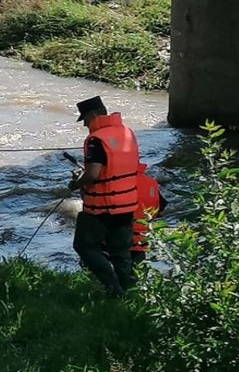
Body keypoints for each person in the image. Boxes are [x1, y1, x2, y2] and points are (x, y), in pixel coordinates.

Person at [68, 96, 140, 296]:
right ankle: (129, 294)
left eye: (85, 120)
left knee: (84, 246)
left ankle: (113, 289)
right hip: (127, 205)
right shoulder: (127, 132)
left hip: (102, 207)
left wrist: (76, 183)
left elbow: (92, 174)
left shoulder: (96, 140)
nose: (85, 125)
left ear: (92, 115)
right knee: (121, 253)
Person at [131, 163, 168, 265]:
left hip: (117, 243)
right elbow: (162, 206)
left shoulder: (114, 184)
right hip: (144, 241)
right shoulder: (151, 183)